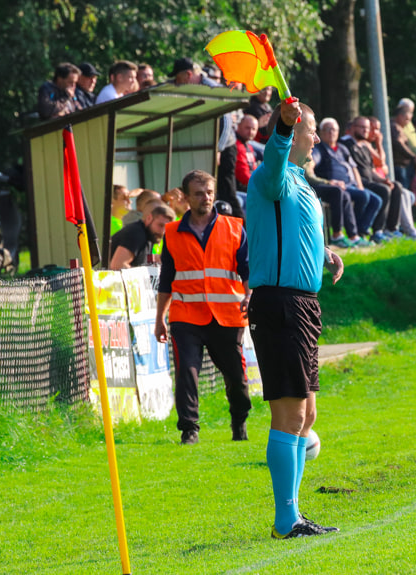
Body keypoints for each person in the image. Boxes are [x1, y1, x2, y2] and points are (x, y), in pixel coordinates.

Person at [246, 97, 344, 539]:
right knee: (289, 414)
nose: (317, 137)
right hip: (279, 304)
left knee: (306, 416)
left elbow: (291, 231)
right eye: (309, 130)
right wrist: (282, 128)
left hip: (302, 305)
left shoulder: (301, 182)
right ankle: (287, 519)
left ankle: (294, 513)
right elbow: (272, 158)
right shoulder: (272, 176)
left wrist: (323, 253)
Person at [154, 169, 252, 445]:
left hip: (227, 315)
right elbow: (167, 279)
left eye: (209, 192)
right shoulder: (172, 233)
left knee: (236, 375)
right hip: (187, 316)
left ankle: (239, 420)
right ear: (185, 197)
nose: (206, 198)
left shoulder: (234, 227)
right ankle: (189, 429)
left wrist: (249, 295)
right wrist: (160, 318)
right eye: (198, 193)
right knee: (187, 371)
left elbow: (247, 270)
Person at [171, 57, 241, 219]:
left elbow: (226, 120)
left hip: (224, 147)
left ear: (188, 75)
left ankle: (241, 231)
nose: (177, 82)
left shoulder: (212, 88)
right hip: (209, 146)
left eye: (178, 78)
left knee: (227, 191)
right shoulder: (194, 88)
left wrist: (219, 149)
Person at [344, 116, 416, 238]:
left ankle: (391, 228)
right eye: (362, 127)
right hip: (357, 182)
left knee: (396, 186)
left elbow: (372, 169)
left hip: (370, 180)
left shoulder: (363, 146)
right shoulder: (346, 144)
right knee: (384, 190)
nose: (365, 131)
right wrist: (361, 184)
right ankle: (378, 230)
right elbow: (352, 169)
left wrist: (383, 180)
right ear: (353, 128)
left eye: (367, 128)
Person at [311, 118, 384, 241]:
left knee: (376, 200)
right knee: (363, 197)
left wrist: (360, 185)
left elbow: (354, 168)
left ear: (338, 132)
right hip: (337, 186)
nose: (331, 133)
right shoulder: (319, 149)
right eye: (328, 130)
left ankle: (361, 230)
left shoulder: (342, 148)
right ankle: (354, 233)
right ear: (321, 132)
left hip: (352, 185)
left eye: (334, 130)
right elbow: (312, 163)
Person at [304, 161, 371, 248]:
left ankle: (353, 236)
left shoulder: (308, 153)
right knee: (337, 191)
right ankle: (337, 235)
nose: (313, 146)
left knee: (345, 195)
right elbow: (309, 177)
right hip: (306, 187)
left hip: (314, 185)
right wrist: (328, 182)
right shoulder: (303, 153)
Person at [109, 203, 175, 269]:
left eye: (167, 228)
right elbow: (117, 265)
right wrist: (143, 276)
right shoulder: (136, 233)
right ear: (149, 218)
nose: (162, 231)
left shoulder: (149, 235)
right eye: (160, 225)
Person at [391, 103, 416, 190]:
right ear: (400, 116)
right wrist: (413, 157)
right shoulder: (394, 127)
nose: (408, 122)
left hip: (404, 166)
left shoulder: (400, 127)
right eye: (407, 119)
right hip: (399, 166)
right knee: (403, 192)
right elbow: (399, 144)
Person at [235, 114, 264, 192]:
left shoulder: (248, 146)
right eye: (247, 128)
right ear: (239, 126)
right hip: (241, 190)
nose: (250, 132)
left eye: (253, 129)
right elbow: (243, 175)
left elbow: (253, 170)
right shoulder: (237, 146)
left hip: (250, 186)